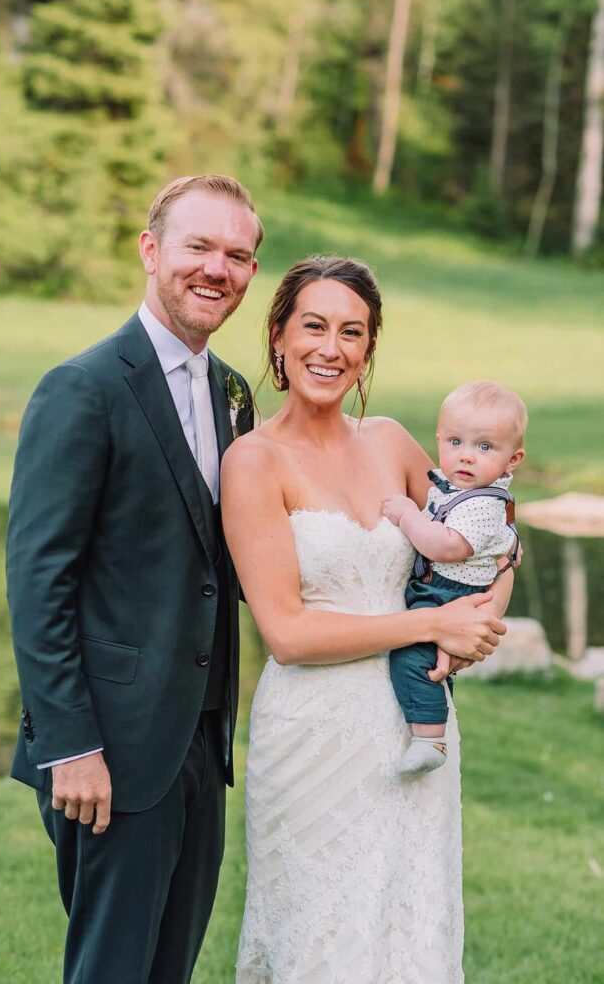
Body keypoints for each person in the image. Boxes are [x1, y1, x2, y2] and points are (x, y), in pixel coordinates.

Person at [221, 256, 513, 983]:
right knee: (322, 938)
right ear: (278, 337)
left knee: (407, 934)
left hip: (415, 728)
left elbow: (492, 536)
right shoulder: (251, 462)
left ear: (368, 350)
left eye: (352, 332)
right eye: (313, 326)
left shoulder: (389, 441)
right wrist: (428, 627)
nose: (331, 347)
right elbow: (285, 635)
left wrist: (478, 621)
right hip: (312, 738)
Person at [6, 174, 263, 984]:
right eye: (199, 246)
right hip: (107, 751)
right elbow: (38, 580)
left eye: (238, 254)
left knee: (168, 971)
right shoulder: (82, 387)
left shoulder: (233, 393)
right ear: (151, 250)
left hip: (199, 736)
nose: (217, 269)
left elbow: (236, 563)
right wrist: (71, 745)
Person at [382, 380, 526, 776]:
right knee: (430, 661)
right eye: (455, 442)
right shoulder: (455, 488)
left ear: (512, 460)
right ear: (439, 439)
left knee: (414, 659)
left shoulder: (482, 503)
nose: (466, 457)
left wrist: (407, 515)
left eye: (484, 447)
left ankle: (430, 739)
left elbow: (445, 546)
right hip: (442, 587)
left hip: (451, 592)